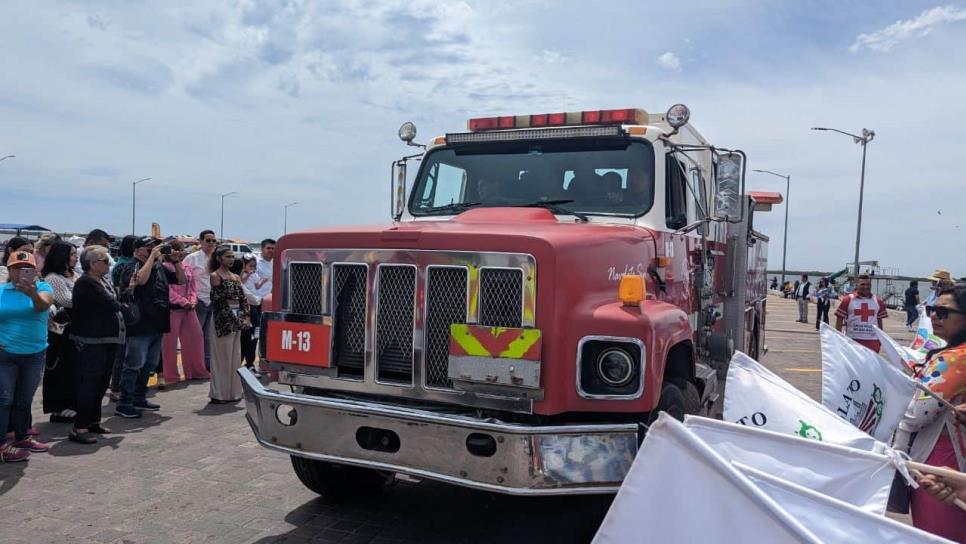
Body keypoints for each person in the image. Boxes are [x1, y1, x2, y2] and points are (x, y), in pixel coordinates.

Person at [893, 284, 966, 541]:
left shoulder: (955, 358)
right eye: (933, 309)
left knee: (937, 534)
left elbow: (917, 413)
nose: (934, 316)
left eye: (944, 312)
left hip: (942, 461)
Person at [113, 237, 184, 418]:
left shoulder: (160, 267)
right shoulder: (131, 266)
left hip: (157, 322)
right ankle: (124, 402)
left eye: (155, 246)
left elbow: (181, 280)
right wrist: (152, 257)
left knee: (149, 364)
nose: (154, 249)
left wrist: (176, 262)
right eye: (149, 247)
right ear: (138, 250)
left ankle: (139, 397)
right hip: (139, 323)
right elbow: (140, 281)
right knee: (134, 363)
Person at [0, 251, 53, 462]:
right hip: (6, 354)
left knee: (24, 399)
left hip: (34, 353)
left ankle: (21, 436)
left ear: (35, 271)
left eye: (28, 269)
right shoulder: (2, 291)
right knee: (4, 399)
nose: (22, 272)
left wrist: (31, 293)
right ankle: (2, 444)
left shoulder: (43, 288)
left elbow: (44, 306)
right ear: (10, 270)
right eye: (17, 268)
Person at [68, 246, 125, 444]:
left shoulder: (101, 280)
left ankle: (93, 420)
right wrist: (124, 305)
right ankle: (79, 426)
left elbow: (113, 300)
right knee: (90, 383)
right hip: (91, 340)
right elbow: (110, 303)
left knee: (101, 382)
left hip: (107, 338)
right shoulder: (86, 283)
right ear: (92, 264)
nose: (108, 264)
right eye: (105, 261)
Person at [40, 242, 80, 423]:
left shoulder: (75, 275)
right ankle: (59, 408)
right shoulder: (53, 278)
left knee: (74, 368)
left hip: (77, 328)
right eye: (72, 254)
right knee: (60, 367)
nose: (76, 257)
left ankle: (72, 403)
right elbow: (67, 300)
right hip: (61, 331)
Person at [160, 240, 208, 384]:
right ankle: (171, 375)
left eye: (181, 249)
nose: (179, 252)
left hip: (189, 308)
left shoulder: (187, 266)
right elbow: (167, 289)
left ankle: (196, 371)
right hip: (173, 309)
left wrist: (193, 300)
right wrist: (182, 301)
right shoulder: (163, 267)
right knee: (170, 343)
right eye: (175, 249)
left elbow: (193, 286)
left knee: (196, 337)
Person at [208, 247, 250, 403]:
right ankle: (218, 394)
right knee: (221, 357)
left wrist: (245, 317)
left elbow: (243, 299)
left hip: (236, 318)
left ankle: (234, 392)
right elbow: (217, 299)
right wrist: (233, 304)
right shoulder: (215, 275)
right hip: (222, 320)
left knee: (235, 357)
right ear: (219, 258)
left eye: (232, 256)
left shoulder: (235, 277)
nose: (231, 259)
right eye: (227, 256)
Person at [108, 234, 138, 401]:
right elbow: (122, 289)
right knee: (122, 353)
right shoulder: (123, 265)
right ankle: (116, 388)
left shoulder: (130, 264)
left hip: (130, 310)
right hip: (124, 310)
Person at [184, 230, 218, 371]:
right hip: (198, 301)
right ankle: (194, 365)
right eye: (208, 240)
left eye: (213, 241)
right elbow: (184, 279)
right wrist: (190, 298)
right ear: (201, 241)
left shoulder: (217, 258)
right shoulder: (192, 258)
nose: (211, 243)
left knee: (209, 336)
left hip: (213, 300)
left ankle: (207, 365)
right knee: (195, 336)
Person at [834, 274, 888, 352]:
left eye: (868, 284)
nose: (865, 287)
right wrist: (838, 337)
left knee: (871, 364)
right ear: (857, 285)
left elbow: (879, 320)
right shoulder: (848, 300)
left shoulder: (878, 301)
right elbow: (839, 318)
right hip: (852, 340)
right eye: (862, 284)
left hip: (873, 341)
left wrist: (880, 339)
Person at [239, 254, 266, 371]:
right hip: (248, 304)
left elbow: (257, 286)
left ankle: (250, 361)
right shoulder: (240, 275)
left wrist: (264, 281)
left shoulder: (254, 275)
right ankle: (241, 360)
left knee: (255, 332)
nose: (252, 268)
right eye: (250, 265)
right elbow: (241, 282)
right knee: (245, 334)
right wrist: (248, 274)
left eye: (254, 266)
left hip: (255, 304)